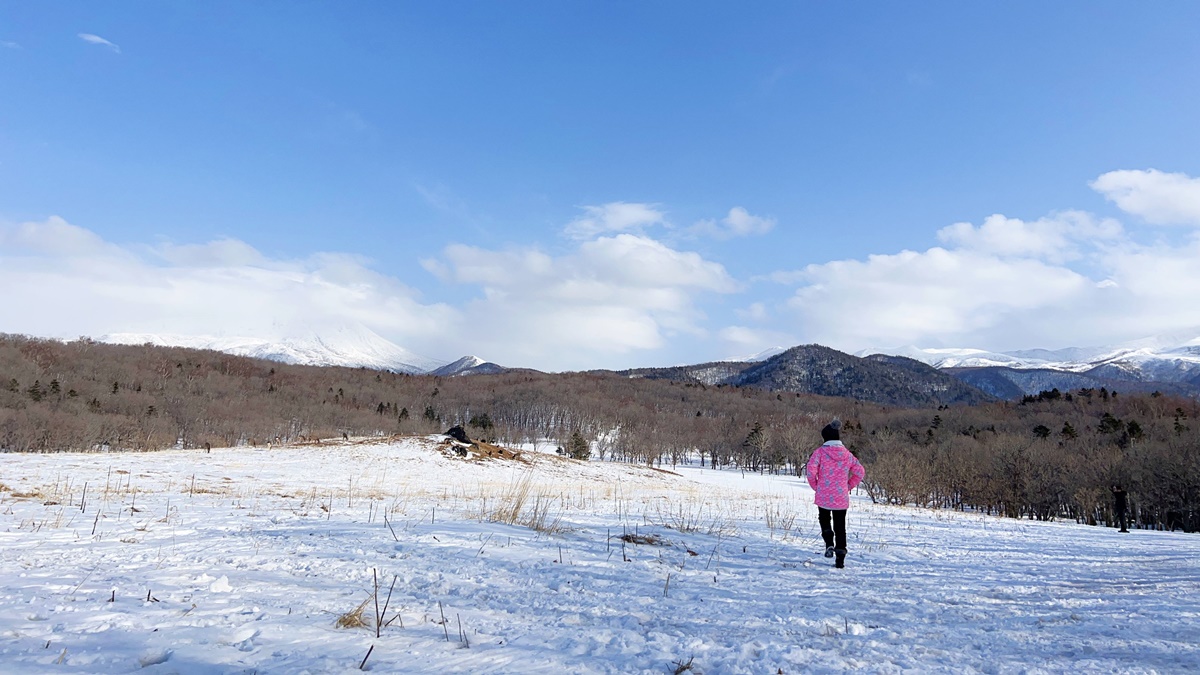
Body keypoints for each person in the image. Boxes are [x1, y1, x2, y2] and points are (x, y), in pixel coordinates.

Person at [806, 419, 866, 568]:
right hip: (841, 496)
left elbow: (810, 471)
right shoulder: (847, 455)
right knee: (840, 526)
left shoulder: (819, 452)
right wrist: (848, 486)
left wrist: (816, 486)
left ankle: (828, 544)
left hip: (824, 494)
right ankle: (840, 557)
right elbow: (860, 472)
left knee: (824, 520)